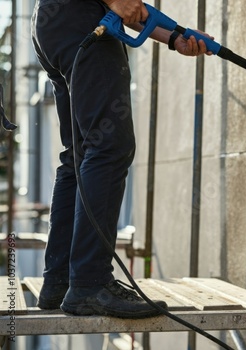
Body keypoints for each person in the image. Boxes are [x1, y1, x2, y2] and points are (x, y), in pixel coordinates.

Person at [31, 0, 211, 318]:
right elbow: (121, 4)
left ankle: (59, 282)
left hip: (57, 24)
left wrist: (174, 36)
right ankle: (89, 284)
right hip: (80, 17)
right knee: (109, 148)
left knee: (80, 155)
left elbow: (127, 10)